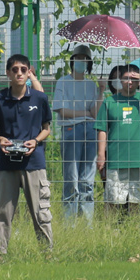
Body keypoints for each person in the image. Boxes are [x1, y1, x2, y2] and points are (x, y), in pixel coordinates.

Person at [0, 54, 53, 254]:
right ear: (7, 73)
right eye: (15, 70)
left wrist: (36, 141)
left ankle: (47, 254)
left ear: (29, 72)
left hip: (34, 163)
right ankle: (0, 254)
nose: (19, 73)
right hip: (6, 164)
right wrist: (0, 140)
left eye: (24, 69)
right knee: (2, 212)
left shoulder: (39, 98)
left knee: (41, 212)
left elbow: (46, 128)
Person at [95, 64, 140, 214]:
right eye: (126, 78)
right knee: (112, 199)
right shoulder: (110, 101)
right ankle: (110, 230)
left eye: (133, 79)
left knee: (137, 200)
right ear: (120, 80)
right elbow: (102, 129)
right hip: (116, 157)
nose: (129, 82)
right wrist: (101, 155)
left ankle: (134, 230)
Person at [52, 45, 103, 226]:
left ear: (89, 63)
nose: (81, 62)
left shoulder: (91, 85)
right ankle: (69, 223)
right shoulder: (63, 82)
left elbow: (95, 113)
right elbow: (60, 110)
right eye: (78, 58)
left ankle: (86, 223)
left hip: (90, 131)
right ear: (72, 61)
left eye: (85, 59)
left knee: (87, 179)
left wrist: (102, 91)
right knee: (71, 178)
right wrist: (84, 113)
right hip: (71, 131)